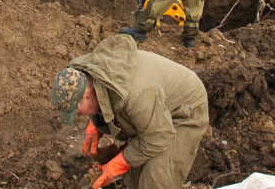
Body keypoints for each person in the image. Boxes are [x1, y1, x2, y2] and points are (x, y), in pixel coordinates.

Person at [51, 33, 209, 189]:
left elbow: (157, 136)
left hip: (184, 110)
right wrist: (95, 128)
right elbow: (103, 97)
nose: (78, 115)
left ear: (86, 97)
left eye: (77, 111)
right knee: (134, 176)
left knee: (157, 178)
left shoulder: (136, 94)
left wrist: (117, 165)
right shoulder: (92, 76)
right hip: (152, 110)